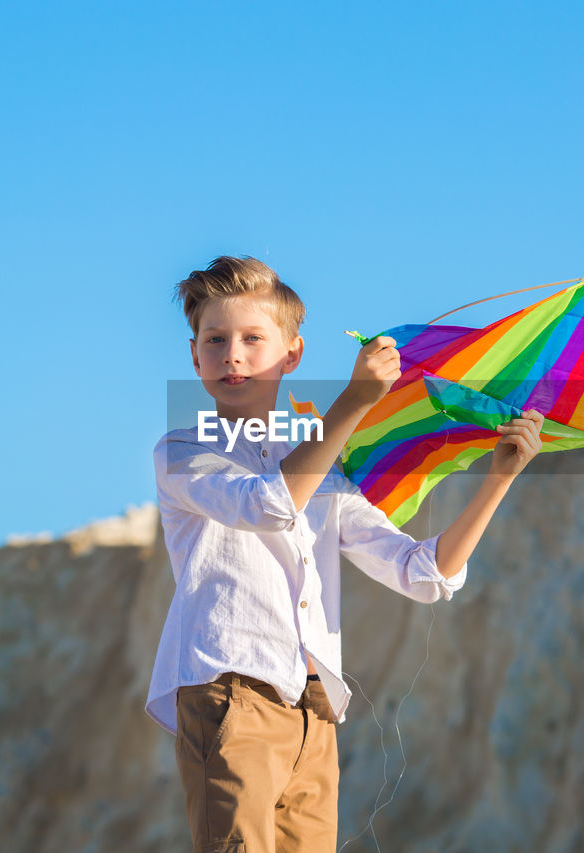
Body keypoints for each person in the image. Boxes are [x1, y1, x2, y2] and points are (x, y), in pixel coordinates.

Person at [146, 256, 544, 852]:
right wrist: (353, 403)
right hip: (228, 693)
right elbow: (267, 505)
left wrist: (500, 479)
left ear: (292, 355)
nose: (233, 353)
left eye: (254, 339)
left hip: (314, 710)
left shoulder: (323, 471)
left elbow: (424, 572)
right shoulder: (182, 449)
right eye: (215, 340)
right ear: (194, 356)